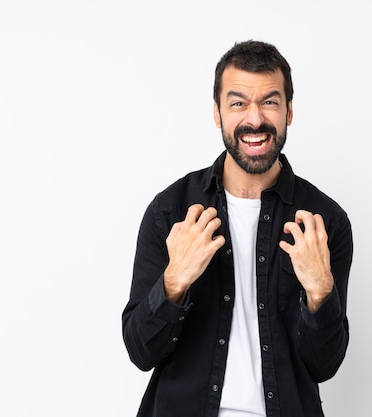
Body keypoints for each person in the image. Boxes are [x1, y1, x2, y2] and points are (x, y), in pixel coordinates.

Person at [122, 40, 353, 417]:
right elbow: (140, 351)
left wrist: (320, 291)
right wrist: (174, 281)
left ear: (289, 111)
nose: (255, 119)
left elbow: (323, 365)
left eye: (270, 102)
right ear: (217, 113)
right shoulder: (171, 212)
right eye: (238, 103)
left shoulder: (325, 221)